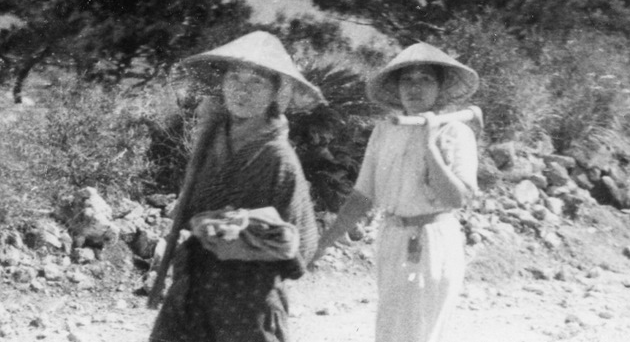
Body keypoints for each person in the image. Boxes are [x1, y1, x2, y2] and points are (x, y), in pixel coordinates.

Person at [148, 31, 324, 342]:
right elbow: (190, 209)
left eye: (257, 82)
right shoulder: (209, 141)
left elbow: (298, 246)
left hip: (249, 292)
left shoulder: (278, 157)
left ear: (276, 93)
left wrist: (242, 231)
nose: (243, 90)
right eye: (234, 78)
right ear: (222, 84)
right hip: (197, 283)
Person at [312, 42, 480, 342]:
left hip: (434, 241)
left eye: (425, 79)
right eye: (407, 79)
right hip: (391, 238)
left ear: (440, 87)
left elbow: (457, 199)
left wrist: (430, 146)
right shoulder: (384, 131)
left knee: (421, 334)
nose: (414, 87)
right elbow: (363, 196)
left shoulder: (455, 131)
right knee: (390, 332)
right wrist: (324, 243)